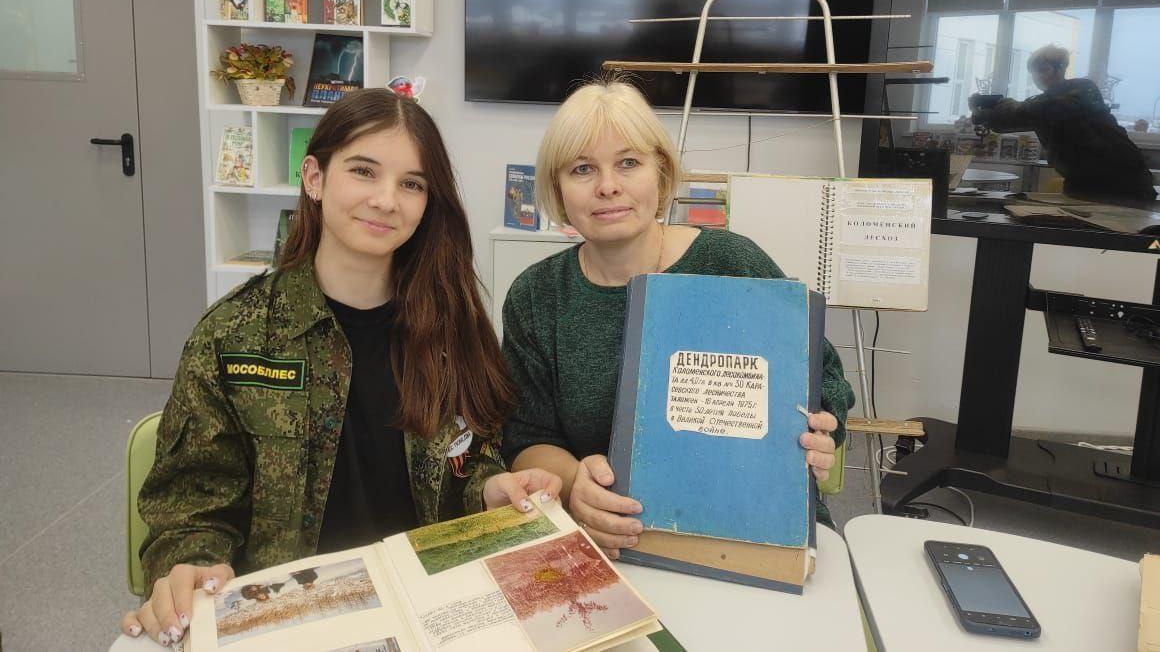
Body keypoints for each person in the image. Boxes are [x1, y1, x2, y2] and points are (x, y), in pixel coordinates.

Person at [122, 90, 560, 646]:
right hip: (288, 621)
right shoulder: (233, 336)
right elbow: (190, 507)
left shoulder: (455, 330)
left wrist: (491, 488)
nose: (386, 200)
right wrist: (193, 563)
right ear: (315, 178)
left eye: (412, 184)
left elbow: (469, 460)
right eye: (363, 171)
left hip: (431, 615)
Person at [502, 77, 855, 559]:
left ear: (662, 173)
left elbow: (823, 378)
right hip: (613, 541)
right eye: (583, 169)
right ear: (558, 189)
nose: (608, 186)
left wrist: (821, 434)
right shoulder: (536, 296)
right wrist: (574, 484)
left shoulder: (731, 263)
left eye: (629, 163)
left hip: (755, 533)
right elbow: (527, 436)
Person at [970, 44, 1155, 202]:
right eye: (1034, 72)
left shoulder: (1082, 89)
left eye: (1044, 69)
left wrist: (999, 110)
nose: (1038, 76)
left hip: (1123, 183)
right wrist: (987, 114)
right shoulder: (1046, 102)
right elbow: (1008, 121)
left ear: (1061, 68)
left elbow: (1044, 109)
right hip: (1085, 182)